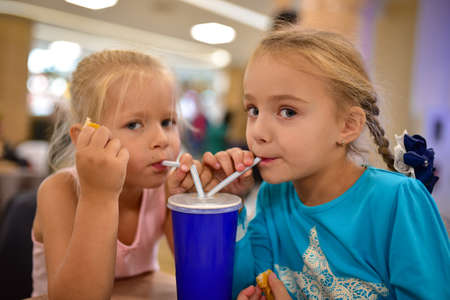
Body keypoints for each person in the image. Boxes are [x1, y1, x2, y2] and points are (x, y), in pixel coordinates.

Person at [197, 29, 450, 299]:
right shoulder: (274, 197)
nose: (258, 131)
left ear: (347, 125)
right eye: (253, 110)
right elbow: (239, 287)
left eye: (287, 111)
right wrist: (224, 206)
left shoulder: (398, 202)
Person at [30, 49, 202, 299]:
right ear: (85, 138)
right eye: (134, 124)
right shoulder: (60, 191)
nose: (162, 139)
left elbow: (197, 275)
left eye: (168, 122)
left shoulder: (163, 189)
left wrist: (194, 203)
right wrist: (99, 196)